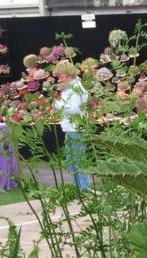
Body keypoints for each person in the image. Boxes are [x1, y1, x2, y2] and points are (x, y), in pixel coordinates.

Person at [52, 61, 90, 191]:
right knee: (72, 162)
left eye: (61, 76)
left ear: (68, 75)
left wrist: (57, 105)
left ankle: (85, 188)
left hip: (76, 129)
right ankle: (79, 188)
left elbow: (74, 109)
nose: (59, 79)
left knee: (78, 161)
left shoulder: (78, 89)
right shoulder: (69, 89)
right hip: (71, 128)